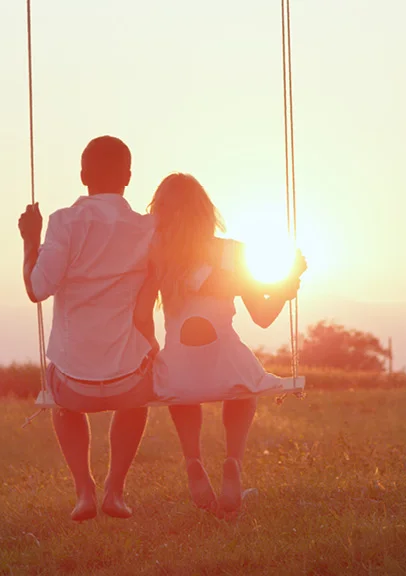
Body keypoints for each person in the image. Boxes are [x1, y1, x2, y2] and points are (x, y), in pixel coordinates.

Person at [133, 173, 306, 518]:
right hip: (227, 362)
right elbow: (262, 316)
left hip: (180, 369)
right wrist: (289, 282)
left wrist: (151, 347)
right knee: (242, 387)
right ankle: (233, 461)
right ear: (206, 210)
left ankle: (193, 460)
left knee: (179, 385)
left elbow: (140, 314)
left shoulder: (159, 255)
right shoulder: (233, 252)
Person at [18, 136, 156, 522]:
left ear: (83, 176)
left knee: (61, 400)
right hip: (129, 382)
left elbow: (37, 289)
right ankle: (115, 488)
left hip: (73, 385)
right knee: (137, 396)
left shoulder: (63, 222)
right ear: (128, 177)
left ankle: (84, 490)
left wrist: (31, 240)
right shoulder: (148, 228)